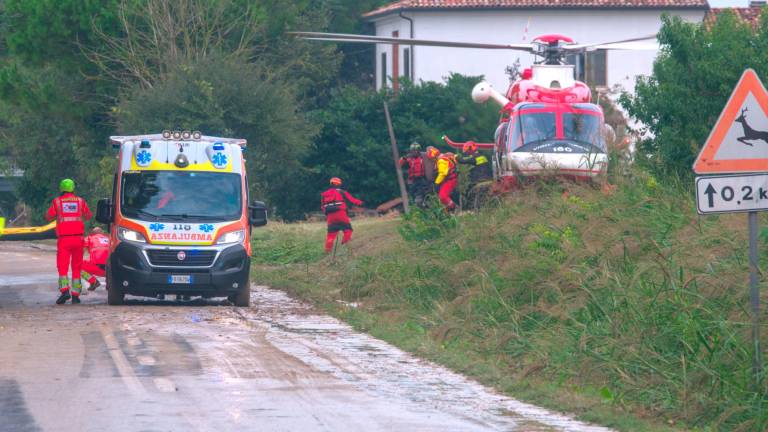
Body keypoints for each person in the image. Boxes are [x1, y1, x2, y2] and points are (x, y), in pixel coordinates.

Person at [45, 179, 92, 304]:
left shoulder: (57, 202)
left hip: (64, 240)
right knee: (77, 267)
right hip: (78, 239)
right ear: (73, 188)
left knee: (63, 267)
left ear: (61, 189)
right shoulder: (80, 201)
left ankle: (65, 291)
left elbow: (48, 216)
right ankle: (76, 296)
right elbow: (88, 216)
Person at [320, 177, 363, 253]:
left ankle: (327, 251)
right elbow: (352, 200)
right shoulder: (342, 192)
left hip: (330, 217)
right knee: (348, 230)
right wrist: (360, 203)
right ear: (339, 184)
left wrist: (327, 214)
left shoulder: (325, 194)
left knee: (331, 235)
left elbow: (322, 206)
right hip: (341, 214)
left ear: (331, 184)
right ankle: (344, 244)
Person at [428, 147, 458, 212]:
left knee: (443, 196)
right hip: (449, 179)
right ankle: (448, 210)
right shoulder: (444, 158)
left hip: (450, 180)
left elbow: (442, 173)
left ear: (434, 157)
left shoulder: (441, 161)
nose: (432, 160)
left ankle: (453, 208)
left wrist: (436, 183)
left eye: (432, 159)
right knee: (441, 196)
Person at [399, 142, 429, 208]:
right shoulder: (408, 159)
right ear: (411, 150)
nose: (415, 151)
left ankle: (424, 204)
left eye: (416, 150)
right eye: (413, 150)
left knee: (420, 196)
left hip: (422, 180)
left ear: (419, 150)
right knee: (411, 196)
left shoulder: (423, 157)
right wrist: (404, 158)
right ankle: (417, 208)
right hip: (412, 180)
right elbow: (399, 164)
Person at [81, 227, 110, 292]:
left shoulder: (89, 238)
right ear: (103, 232)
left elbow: (81, 251)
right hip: (111, 269)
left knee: (77, 266)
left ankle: (93, 282)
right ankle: (109, 282)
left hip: (98, 268)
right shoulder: (110, 239)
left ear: (93, 233)